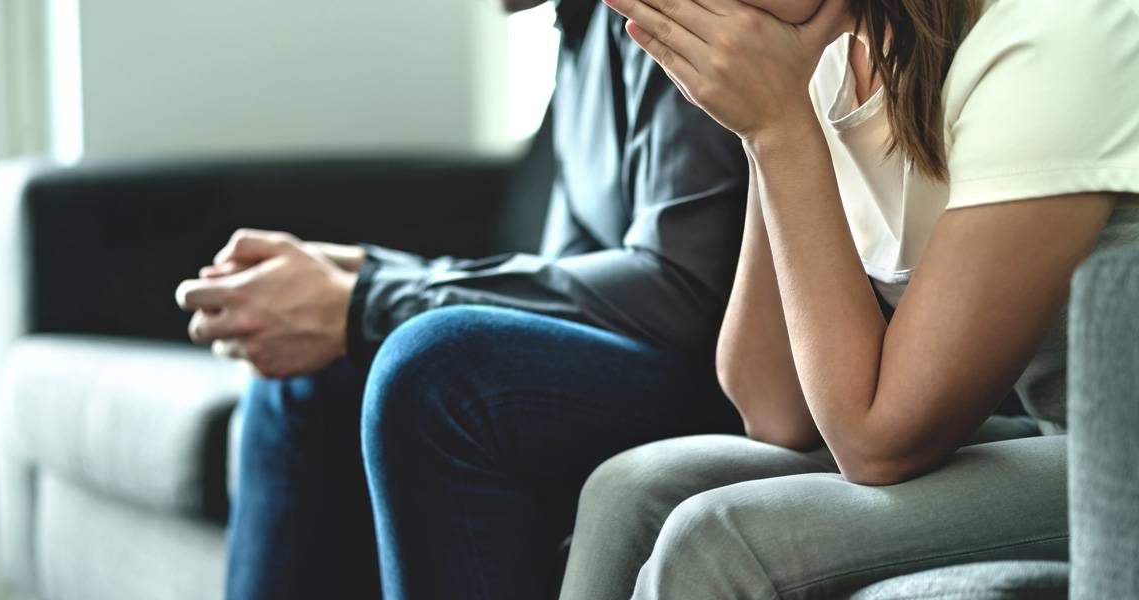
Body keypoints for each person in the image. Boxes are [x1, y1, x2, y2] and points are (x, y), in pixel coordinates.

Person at [173, 0, 766, 597]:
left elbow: (682, 289)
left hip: (744, 386)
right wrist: (366, 280)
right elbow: (570, 268)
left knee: (431, 365)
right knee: (313, 362)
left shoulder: (675, 14)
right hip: (662, 358)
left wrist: (369, 300)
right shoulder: (582, 26)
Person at [558, 0, 1139, 597]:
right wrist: (767, 128)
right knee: (631, 488)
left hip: (1125, 451)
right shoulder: (839, 51)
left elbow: (877, 445)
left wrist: (778, 127)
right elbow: (776, 411)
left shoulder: (1055, 31)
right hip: (1055, 433)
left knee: (720, 540)